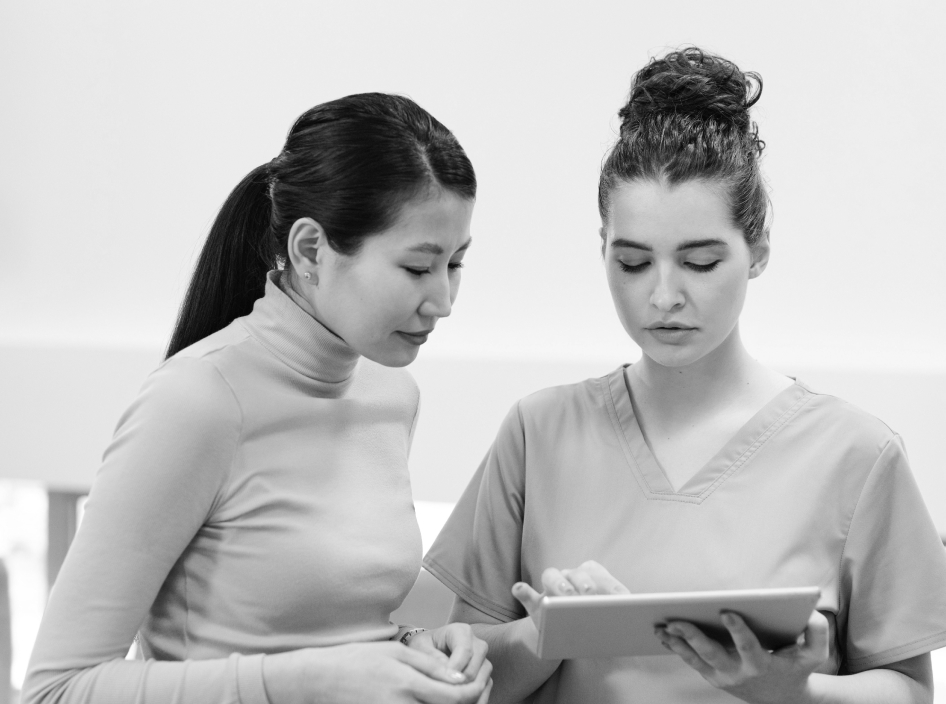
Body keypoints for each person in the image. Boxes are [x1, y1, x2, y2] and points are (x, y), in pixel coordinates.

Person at [423, 48, 946, 703]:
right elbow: (453, 673)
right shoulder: (538, 434)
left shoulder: (856, 456)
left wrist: (792, 692)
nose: (663, 295)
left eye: (699, 262)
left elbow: (910, 692)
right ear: (603, 250)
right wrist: (546, 636)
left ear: (756, 248)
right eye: (634, 262)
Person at [24, 93, 492, 704]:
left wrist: (411, 649)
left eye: (455, 264)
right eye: (416, 268)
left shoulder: (391, 394)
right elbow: (56, 689)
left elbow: (333, 627)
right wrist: (306, 679)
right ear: (310, 250)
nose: (444, 301)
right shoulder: (196, 402)